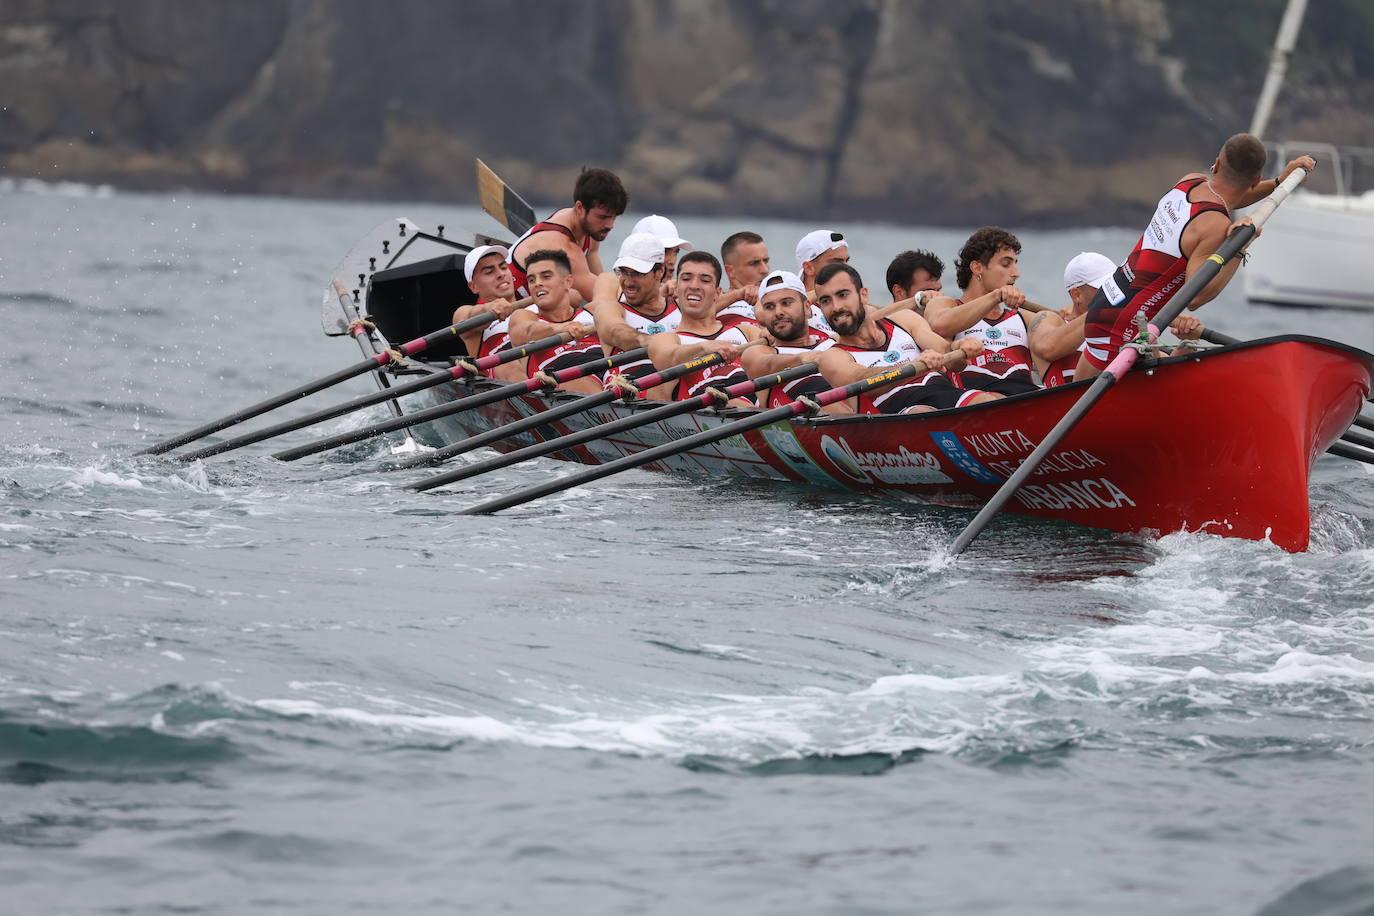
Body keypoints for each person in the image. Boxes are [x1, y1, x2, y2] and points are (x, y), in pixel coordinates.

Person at [1077, 134, 1315, 379]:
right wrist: (1239, 247)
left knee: (1072, 396)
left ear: (1218, 163)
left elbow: (1229, 199)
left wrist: (1278, 182)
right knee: (1089, 409)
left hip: (1107, 303)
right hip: (1125, 322)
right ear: (1256, 179)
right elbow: (1196, 296)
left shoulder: (1190, 181)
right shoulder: (1214, 225)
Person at [813, 263, 987, 414]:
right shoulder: (831, 357)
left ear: (863, 295)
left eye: (843, 295)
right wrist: (915, 365)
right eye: (826, 301)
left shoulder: (904, 319)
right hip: (899, 416)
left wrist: (961, 346)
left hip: (945, 395)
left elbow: (952, 360)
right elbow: (863, 379)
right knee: (922, 412)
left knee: (987, 400)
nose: (836, 307)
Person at [924, 228, 1039, 399]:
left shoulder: (1024, 318)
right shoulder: (945, 304)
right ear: (977, 267)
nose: (1016, 273)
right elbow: (941, 325)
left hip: (1026, 398)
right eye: (1006, 264)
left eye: (1015, 263)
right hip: (977, 404)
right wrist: (995, 297)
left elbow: (1055, 343)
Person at [647, 252, 764, 406]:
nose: (694, 286)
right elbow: (667, 359)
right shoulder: (667, 339)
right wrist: (704, 347)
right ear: (676, 288)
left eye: (705, 280)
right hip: (707, 407)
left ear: (717, 293)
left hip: (752, 400)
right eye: (686, 278)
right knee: (658, 388)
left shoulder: (746, 331)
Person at [507, 167, 628, 301]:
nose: (610, 225)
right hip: (507, 308)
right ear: (580, 208)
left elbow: (600, 280)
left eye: (613, 217)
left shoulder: (589, 226)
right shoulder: (562, 245)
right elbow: (606, 298)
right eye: (603, 217)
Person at [738, 270, 848, 413]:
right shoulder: (758, 353)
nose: (778, 312)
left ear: (807, 308)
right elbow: (763, 365)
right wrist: (801, 359)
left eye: (786, 303)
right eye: (769, 307)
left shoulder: (834, 341)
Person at [592, 233, 682, 395]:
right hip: (631, 389)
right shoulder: (610, 309)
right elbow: (616, 332)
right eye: (624, 272)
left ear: (659, 272)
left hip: (679, 391)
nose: (628, 281)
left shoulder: (680, 306)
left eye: (637, 273)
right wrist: (659, 345)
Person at [506, 249, 604, 395]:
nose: (537, 284)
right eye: (531, 280)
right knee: (575, 382)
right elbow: (528, 331)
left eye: (546, 277)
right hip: (572, 386)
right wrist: (561, 329)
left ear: (568, 281)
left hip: (613, 374)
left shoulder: (592, 311)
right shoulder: (523, 316)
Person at [450, 245, 524, 379]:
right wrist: (490, 308)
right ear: (474, 286)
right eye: (489, 272)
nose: (501, 274)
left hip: (552, 370)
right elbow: (466, 317)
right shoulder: (466, 314)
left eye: (503, 267)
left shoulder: (535, 305)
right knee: (507, 365)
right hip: (510, 378)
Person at [715, 231, 772, 319]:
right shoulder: (714, 309)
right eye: (754, 263)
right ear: (730, 271)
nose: (765, 270)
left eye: (765, 261)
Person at [885, 250, 945, 314]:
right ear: (899, 292)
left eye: (938, 291)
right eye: (928, 291)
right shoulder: (877, 321)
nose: (937, 297)